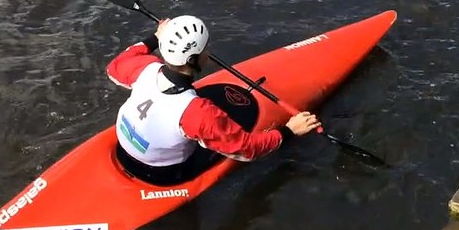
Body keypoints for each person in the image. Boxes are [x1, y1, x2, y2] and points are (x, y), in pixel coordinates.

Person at [108, 14, 321, 186]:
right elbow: (247, 149)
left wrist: (156, 37)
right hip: (163, 174)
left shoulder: (144, 68)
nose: (208, 52)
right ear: (194, 59)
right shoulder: (197, 112)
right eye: (206, 48)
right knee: (226, 134)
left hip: (123, 150)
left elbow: (116, 66)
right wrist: (289, 131)